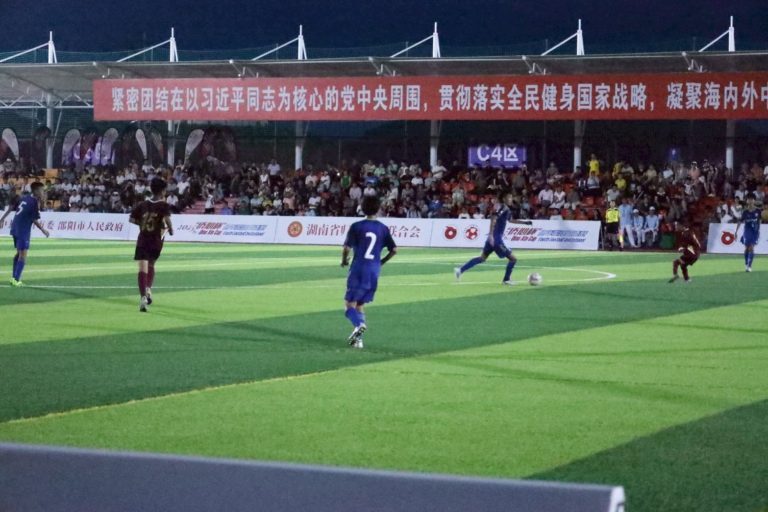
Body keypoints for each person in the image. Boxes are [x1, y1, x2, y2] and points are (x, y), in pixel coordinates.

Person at [341, 195, 397, 349]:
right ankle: (358, 340)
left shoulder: (356, 226)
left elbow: (346, 248)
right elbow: (394, 250)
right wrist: (381, 262)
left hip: (359, 268)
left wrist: (344, 261)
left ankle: (359, 324)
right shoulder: (383, 228)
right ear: (378, 209)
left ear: (362, 208)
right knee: (360, 304)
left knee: (349, 306)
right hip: (374, 270)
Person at [454, 193, 532, 285]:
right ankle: (506, 280)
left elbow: (511, 220)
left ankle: (460, 270)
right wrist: (491, 234)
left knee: (482, 258)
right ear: (504, 199)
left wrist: (524, 223)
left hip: (492, 239)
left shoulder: (506, 209)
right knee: (513, 259)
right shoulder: (503, 207)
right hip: (496, 239)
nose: (511, 199)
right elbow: (494, 217)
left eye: (511, 198)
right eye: (509, 198)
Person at [129, 177, 173, 312]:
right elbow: (167, 220)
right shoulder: (163, 205)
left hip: (142, 240)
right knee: (152, 265)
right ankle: (148, 288)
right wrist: (171, 230)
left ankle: (143, 297)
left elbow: (131, 219)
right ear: (163, 191)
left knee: (142, 268)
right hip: (155, 241)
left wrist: (142, 224)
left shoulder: (142, 204)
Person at [1, 182, 50, 286]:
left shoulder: (25, 198)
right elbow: (34, 219)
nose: (43, 192)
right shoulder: (34, 202)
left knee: (19, 253)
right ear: (36, 191)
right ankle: (16, 279)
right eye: (42, 190)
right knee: (23, 255)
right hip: (23, 229)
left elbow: (11, 208)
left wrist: (2, 219)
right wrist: (43, 230)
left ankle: (14, 278)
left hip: (15, 227)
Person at [734, 193, 762, 272]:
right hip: (747, 231)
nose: (750, 201)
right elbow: (740, 222)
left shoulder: (758, 211)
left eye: (752, 199)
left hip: (755, 232)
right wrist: (736, 232)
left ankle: (749, 266)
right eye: (748, 199)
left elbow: (759, 221)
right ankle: (746, 263)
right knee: (746, 248)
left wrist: (758, 229)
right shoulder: (745, 212)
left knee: (751, 247)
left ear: (754, 201)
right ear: (746, 201)